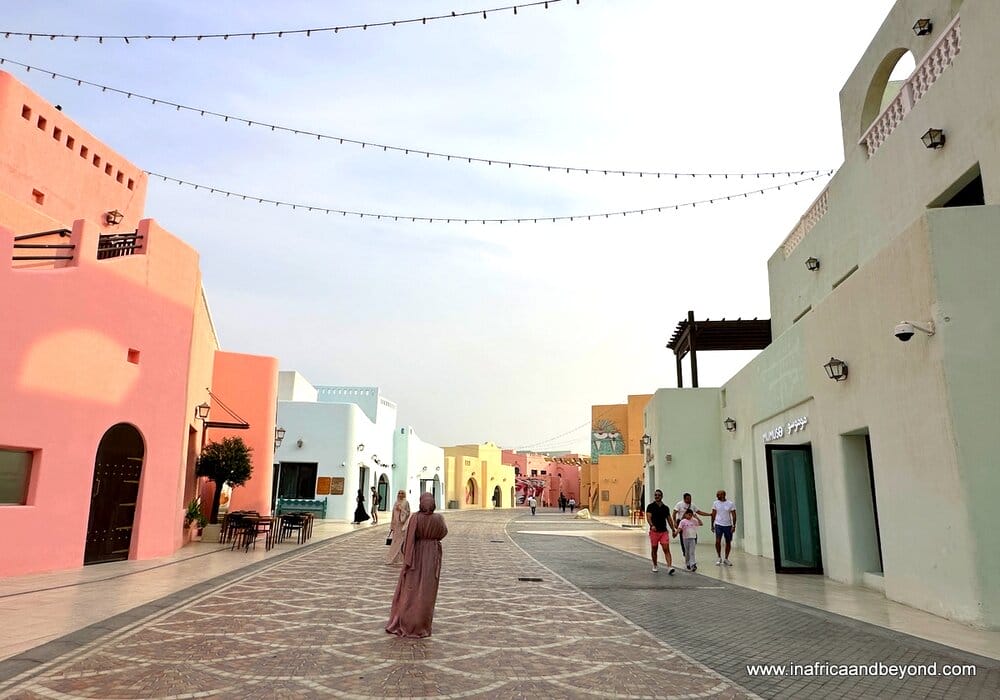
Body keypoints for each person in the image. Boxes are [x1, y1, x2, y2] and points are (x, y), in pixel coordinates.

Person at [385, 492, 448, 638]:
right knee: (427, 591)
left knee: (411, 589)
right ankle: (422, 624)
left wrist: (406, 558)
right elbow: (443, 532)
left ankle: (408, 621)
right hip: (432, 555)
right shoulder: (438, 518)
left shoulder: (416, 518)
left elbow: (409, 538)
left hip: (416, 555)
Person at [645, 489, 677, 574]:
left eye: (658, 495)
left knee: (666, 549)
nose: (657, 496)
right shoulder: (650, 506)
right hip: (654, 532)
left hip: (663, 531)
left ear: (661, 496)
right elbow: (648, 517)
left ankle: (669, 567)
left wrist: (673, 529)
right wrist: (652, 525)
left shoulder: (665, 508)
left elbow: (669, 519)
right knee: (654, 549)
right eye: (655, 495)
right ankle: (655, 565)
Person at [673, 493, 710, 563]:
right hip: (682, 523)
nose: (689, 500)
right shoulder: (679, 504)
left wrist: (709, 514)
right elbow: (674, 512)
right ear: (684, 499)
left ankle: (690, 553)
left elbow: (699, 512)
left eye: (690, 498)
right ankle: (686, 554)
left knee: (694, 539)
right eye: (687, 499)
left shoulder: (692, 505)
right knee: (683, 540)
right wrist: (674, 522)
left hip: (691, 525)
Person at [711, 489, 737, 566]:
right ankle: (719, 557)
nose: (717, 496)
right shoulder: (715, 503)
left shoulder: (730, 504)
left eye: (718, 494)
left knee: (728, 541)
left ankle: (726, 558)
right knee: (717, 541)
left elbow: (734, 515)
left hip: (728, 525)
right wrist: (712, 525)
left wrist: (733, 525)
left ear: (723, 495)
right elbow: (713, 514)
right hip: (718, 524)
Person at [386, 490, 411, 565]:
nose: (400, 494)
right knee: (395, 542)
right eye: (399, 493)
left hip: (402, 525)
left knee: (399, 542)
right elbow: (393, 515)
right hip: (396, 525)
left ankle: (393, 558)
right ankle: (394, 558)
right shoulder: (396, 502)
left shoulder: (406, 502)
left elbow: (408, 513)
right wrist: (392, 525)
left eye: (402, 493)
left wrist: (401, 509)